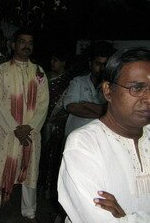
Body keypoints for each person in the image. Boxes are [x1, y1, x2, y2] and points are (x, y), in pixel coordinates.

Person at [58, 47, 150, 223]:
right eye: (137, 88)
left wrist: (126, 218)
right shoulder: (83, 144)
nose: (148, 99)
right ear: (108, 90)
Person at [0, 28, 49, 223]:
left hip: (29, 133)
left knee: (30, 173)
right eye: (22, 41)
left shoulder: (39, 72)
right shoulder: (1, 71)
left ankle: (29, 212)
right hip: (6, 133)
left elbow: (43, 102)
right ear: (13, 44)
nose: (26, 46)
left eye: (30, 42)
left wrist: (29, 127)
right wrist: (15, 128)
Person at [39, 49, 72, 202]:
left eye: (56, 60)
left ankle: (50, 189)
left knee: (54, 157)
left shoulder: (68, 81)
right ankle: (38, 187)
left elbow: (67, 105)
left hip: (57, 125)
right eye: (51, 60)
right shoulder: (43, 76)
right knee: (41, 156)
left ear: (63, 62)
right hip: (40, 122)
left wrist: (58, 119)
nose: (52, 63)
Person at [63, 41, 116, 136]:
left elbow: (112, 111)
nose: (102, 68)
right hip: (75, 136)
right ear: (90, 63)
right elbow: (71, 107)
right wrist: (102, 115)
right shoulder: (78, 82)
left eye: (105, 65)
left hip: (100, 138)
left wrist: (85, 104)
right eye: (98, 64)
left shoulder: (113, 87)